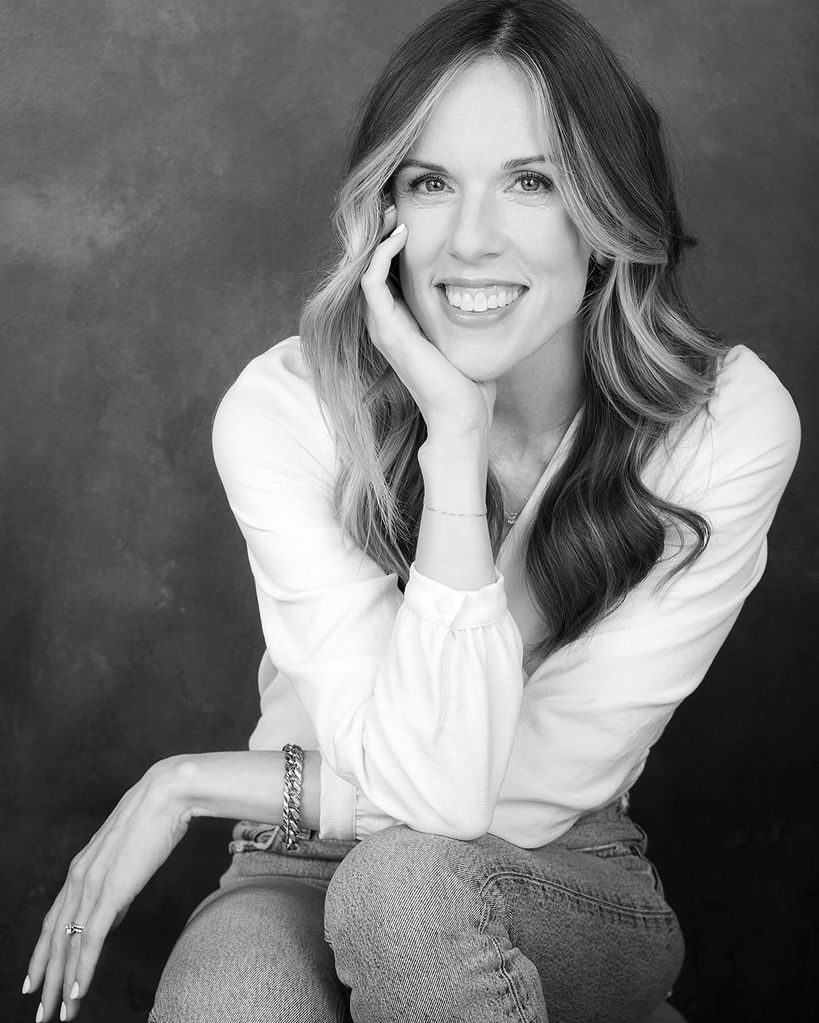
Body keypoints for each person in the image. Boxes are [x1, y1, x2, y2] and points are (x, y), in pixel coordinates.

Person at [25, 1, 800, 1021]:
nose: (470, 240)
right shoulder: (289, 407)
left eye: (532, 182)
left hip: (561, 864)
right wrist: (453, 444)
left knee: (404, 891)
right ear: (384, 212)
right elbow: (426, 783)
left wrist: (190, 781)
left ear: (608, 218)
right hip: (295, 861)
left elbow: (469, 803)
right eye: (432, 183)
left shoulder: (721, 422)